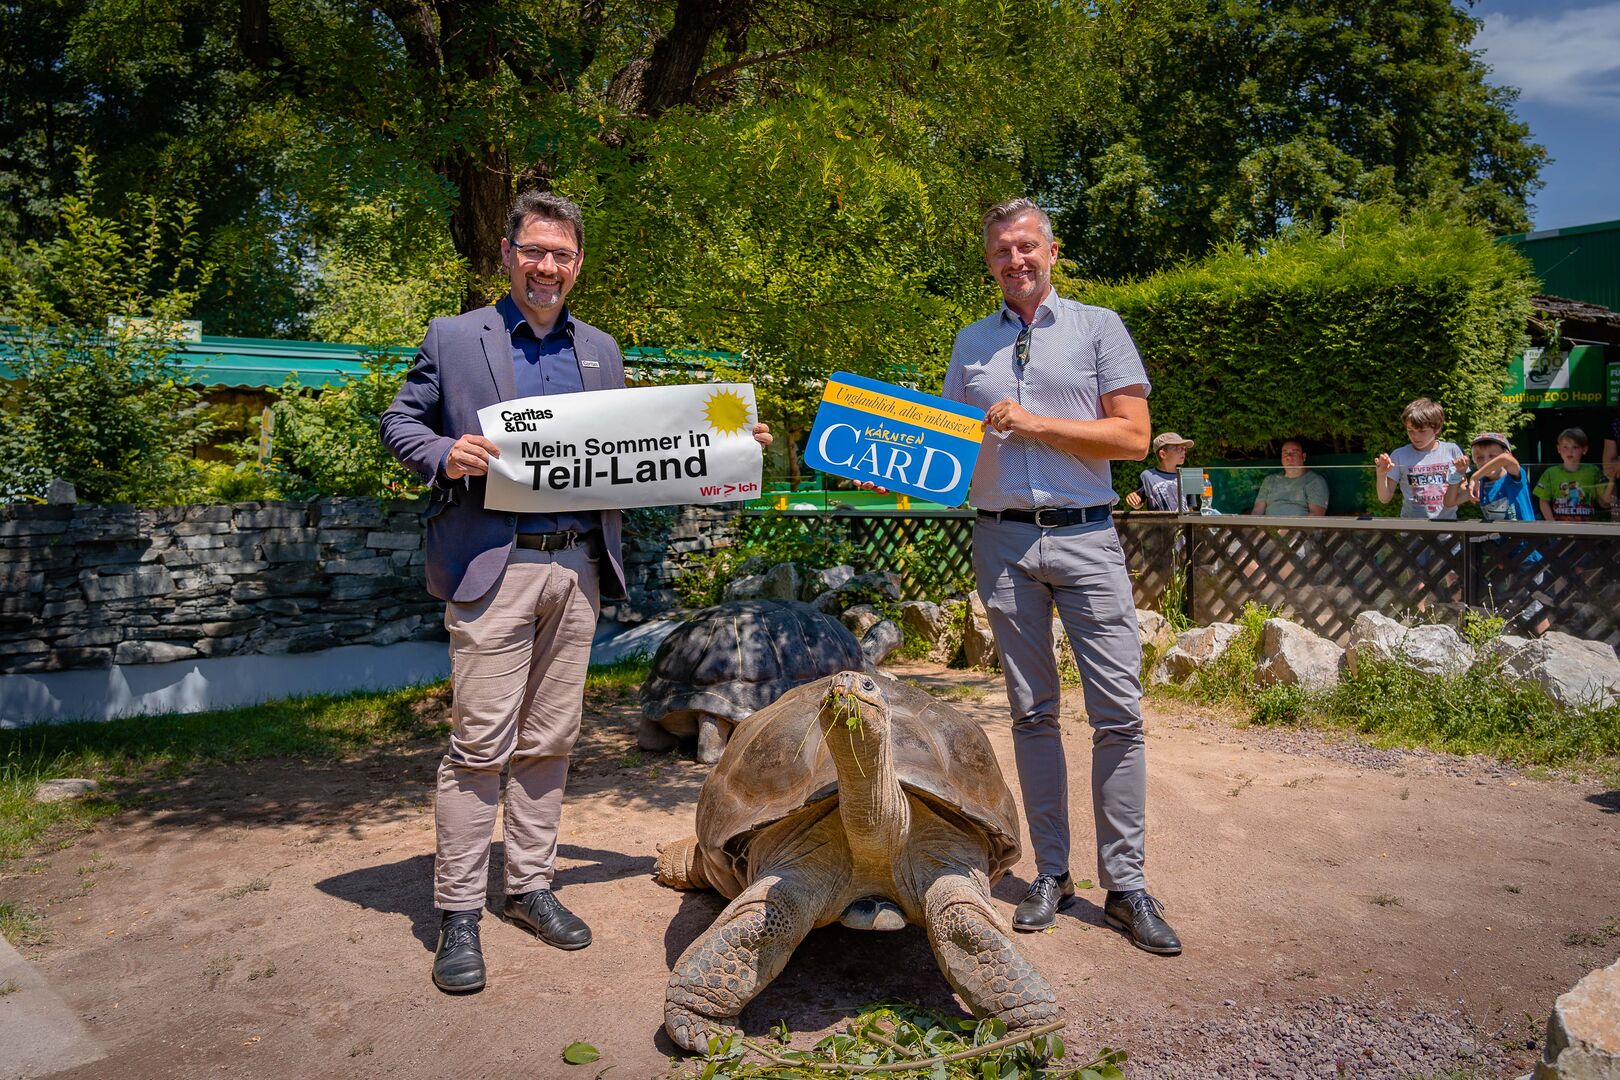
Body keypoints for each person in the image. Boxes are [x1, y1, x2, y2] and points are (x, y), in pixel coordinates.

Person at [380, 189, 769, 993]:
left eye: (561, 255)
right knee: (479, 745)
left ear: (577, 264)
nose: (547, 267)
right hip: (495, 565)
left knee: (551, 740)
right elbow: (399, 423)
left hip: (579, 566)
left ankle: (529, 887)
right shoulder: (455, 338)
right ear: (507, 253)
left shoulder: (601, 350)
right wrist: (444, 452)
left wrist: (729, 444)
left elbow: (642, 446)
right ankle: (457, 911)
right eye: (534, 251)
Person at [941, 197, 1180, 955]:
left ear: (1052, 250)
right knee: (1032, 714)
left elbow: (1135, 437)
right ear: (990, 264)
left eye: (1027, 247)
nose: (1016, 261)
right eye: (1001, 252)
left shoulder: (1099, 326)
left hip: (1086, 537)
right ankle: (1052, 873)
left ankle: (1128, 886)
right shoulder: (970, 342)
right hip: (1003, 543)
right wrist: (889, 464)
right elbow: (945, 447)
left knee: (1118, 715)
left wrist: (1038, 423)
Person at [1375, 397, 1465, 520]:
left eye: (1422, 431)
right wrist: (1381, 475)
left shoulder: (1452, 450)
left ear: (1437, 428)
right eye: (1410, 430)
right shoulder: (1399, 455)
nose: (1415, 436)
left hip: (1447, 529)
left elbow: (1462, 487)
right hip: (1411, 530)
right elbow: (1384, 498)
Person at [1443, 432, 1535, 522]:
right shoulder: (1480, 485)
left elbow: (1506, 459)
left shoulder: (1514, 475)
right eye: (1479, 458)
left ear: (1508, 453)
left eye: (1492, 456)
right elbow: (1449, 502)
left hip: (1525, 535)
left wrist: (1475, 476)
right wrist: (1458, 472)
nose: (1485, 461)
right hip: (1498, 537)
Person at [1533, 427, 1612, 523]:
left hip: (1587, 529)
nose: (1570, 451)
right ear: (1558, 449)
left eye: (1575, 447)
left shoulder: (1593, 471)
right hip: (1560, 530)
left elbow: (1605, 502)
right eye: (1565, 447)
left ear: (1584, 449)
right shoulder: (1550, 473)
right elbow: (1543, 501)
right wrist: (1552, 524)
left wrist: (1612, 480)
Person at [1250, 439, 1328, 516]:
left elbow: (1316, 516)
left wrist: (1292, 529)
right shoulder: (1269, 480)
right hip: (1269, 527)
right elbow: (1257, 512)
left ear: (1303, 457)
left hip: (1300, 528)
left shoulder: (1314, 481)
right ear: (1281, 458)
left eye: (1294, 453)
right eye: (1285, 453)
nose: (1289, 457)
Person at [1125, 432, 1192, 511]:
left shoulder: (1188, 476)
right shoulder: (1147, 476)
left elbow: (1190, 508)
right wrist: (1133, 499)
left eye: (1184, 448)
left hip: (1182, 522)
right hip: (1158, 522)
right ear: (1163, 454)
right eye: (1178, 448)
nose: (1183, 451)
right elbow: (1138, 504)